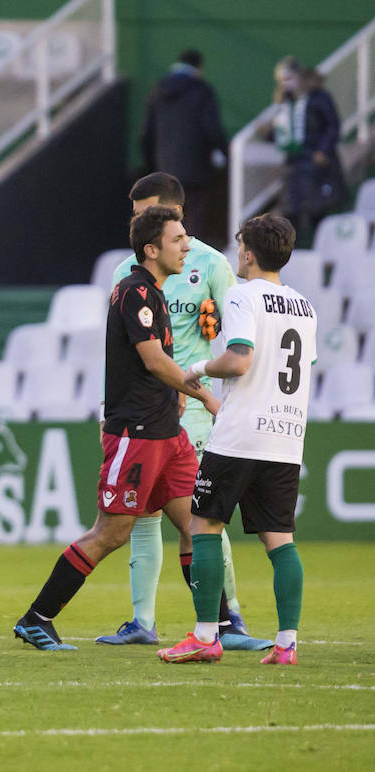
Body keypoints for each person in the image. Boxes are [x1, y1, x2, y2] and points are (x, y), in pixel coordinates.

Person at [13, 206, 220, 651]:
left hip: (169, 434)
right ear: (151, 249)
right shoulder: (135, 292)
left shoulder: (155, 292)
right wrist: (201, 392)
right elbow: (151, 360)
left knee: (196, 525)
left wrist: (179, 393)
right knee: (112, 532)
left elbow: (157, 363)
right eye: (177, 239)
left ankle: (221, 627)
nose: (187, 246)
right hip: (138, 434)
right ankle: (36, 618)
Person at [95, 173, 269, 651]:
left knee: (201, 515)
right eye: (135, 217)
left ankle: (228, 620)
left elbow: (238, 333)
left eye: (144, 213)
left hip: (193, 407)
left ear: (172, 212)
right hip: (141, 410)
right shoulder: (123, 274)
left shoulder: (211, 264)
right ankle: (141, 621)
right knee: (144, 516)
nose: (136, 224)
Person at [159, 214, 316, 665]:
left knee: (203, 526)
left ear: (247, 252)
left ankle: (207, 635)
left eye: (239, 246)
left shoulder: (243, 295)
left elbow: (241, 359)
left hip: (240, 434)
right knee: (280, 540)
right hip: (285, 438)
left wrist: (200, 369)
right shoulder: (305, 307)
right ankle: (287, 644)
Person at [139, 49, 229, 248]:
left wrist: (151, 166)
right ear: (199, 67)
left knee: (167, 221)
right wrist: (227, 155)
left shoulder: (157, 90)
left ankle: (166, 268)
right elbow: (212, 129)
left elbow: (146, 133)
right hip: (196, 168)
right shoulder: (202, 90)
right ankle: (191, 270)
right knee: (194, 219)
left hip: (165, 169)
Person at [260, 57, 347, 245]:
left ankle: (322, 249)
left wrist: (323, 150)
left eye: (290, 78)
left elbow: (332, 125)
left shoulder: (318, 97)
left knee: (318, 209)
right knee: (291, 210)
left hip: (316, 164)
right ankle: (294, 253)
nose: (286, 84)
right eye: (282, 80)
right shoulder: (285, 103)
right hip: (294, 163)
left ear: (300, 76)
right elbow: (284, 134)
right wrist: (268, 134)